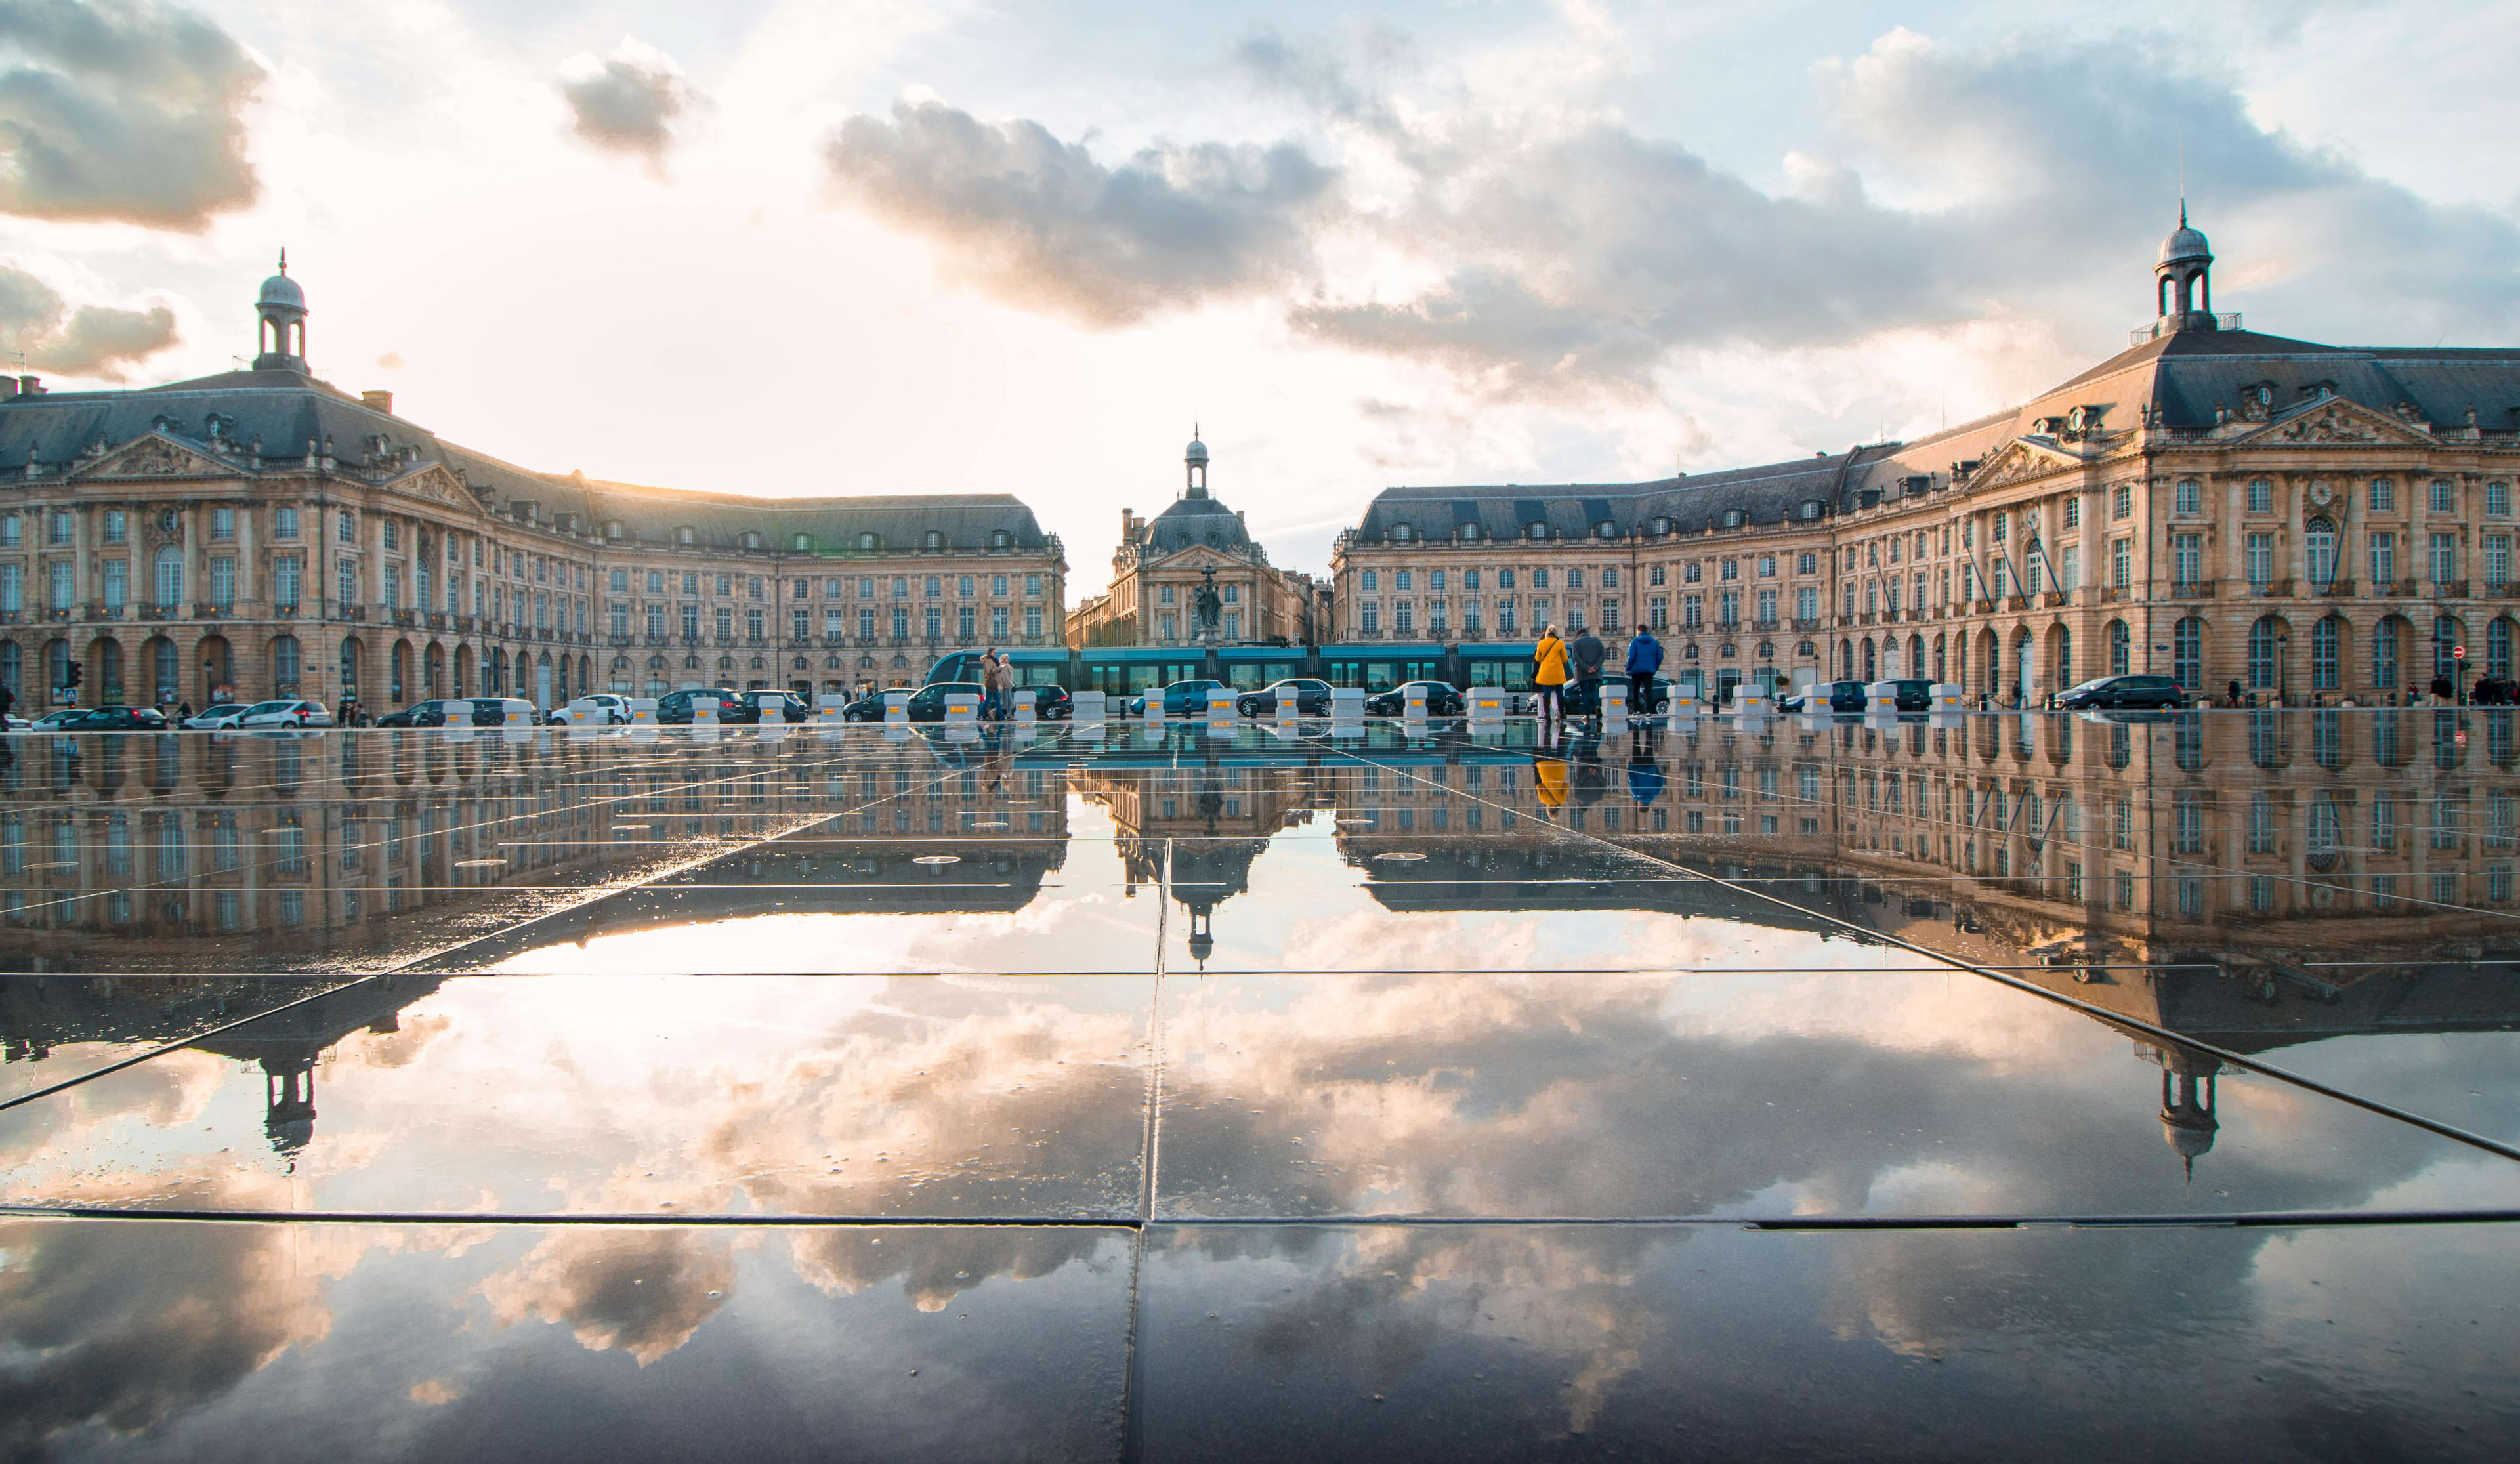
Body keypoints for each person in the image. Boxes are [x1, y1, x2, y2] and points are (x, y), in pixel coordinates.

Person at [1570, 625, 1606, 721]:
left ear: (1578, 635)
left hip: (1583, 672)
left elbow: (1576, 658)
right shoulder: (1597, 641)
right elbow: (1603, 655)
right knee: (1594, 690)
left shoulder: (1576, 643)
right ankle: (1598, 706)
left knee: (1585, 693)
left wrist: (1587, 668)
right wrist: (1596, 667)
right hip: (1595, 672)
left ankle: (1587, 715)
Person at [1534, 625, 1568, 722]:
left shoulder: (1541, 644)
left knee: (1546, 693)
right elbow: (1565, 659)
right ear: (1556, 633)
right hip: (1557, 672)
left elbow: (1538, 659)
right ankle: (1561, 713)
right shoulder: (1560, 643)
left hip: (1546, 672)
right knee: (1559, 692)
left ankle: (1547, 714)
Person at [1624, 627, 1662, 715]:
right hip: (1649, 671)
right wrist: (1655, 667)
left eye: (1637, 632)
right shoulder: (1654, 643)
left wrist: (1628, 668)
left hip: (1636, 671)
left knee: (1635, 690)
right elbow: (1659, 657)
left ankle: (1636, 710)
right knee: (1649, 691)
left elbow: (1631, 657)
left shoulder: (1634, 642)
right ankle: (1649, 711)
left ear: (1639, 631)